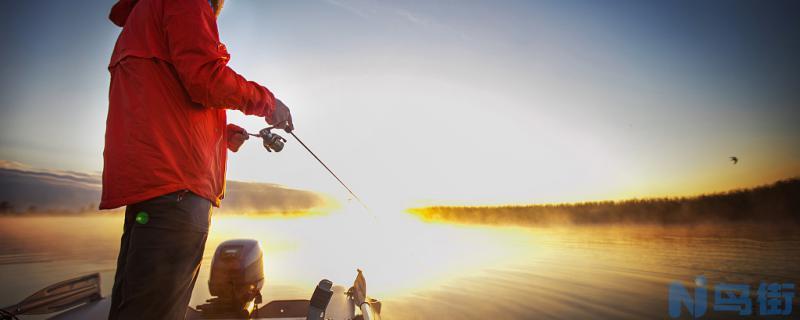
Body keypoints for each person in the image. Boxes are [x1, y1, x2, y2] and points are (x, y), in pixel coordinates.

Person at [101, 0, 293, 319]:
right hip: (176, 192)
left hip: (152, 190)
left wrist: (222, 131)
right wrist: (268, 103)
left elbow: (165, 100)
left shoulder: (145, 11)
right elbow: (206, 80)